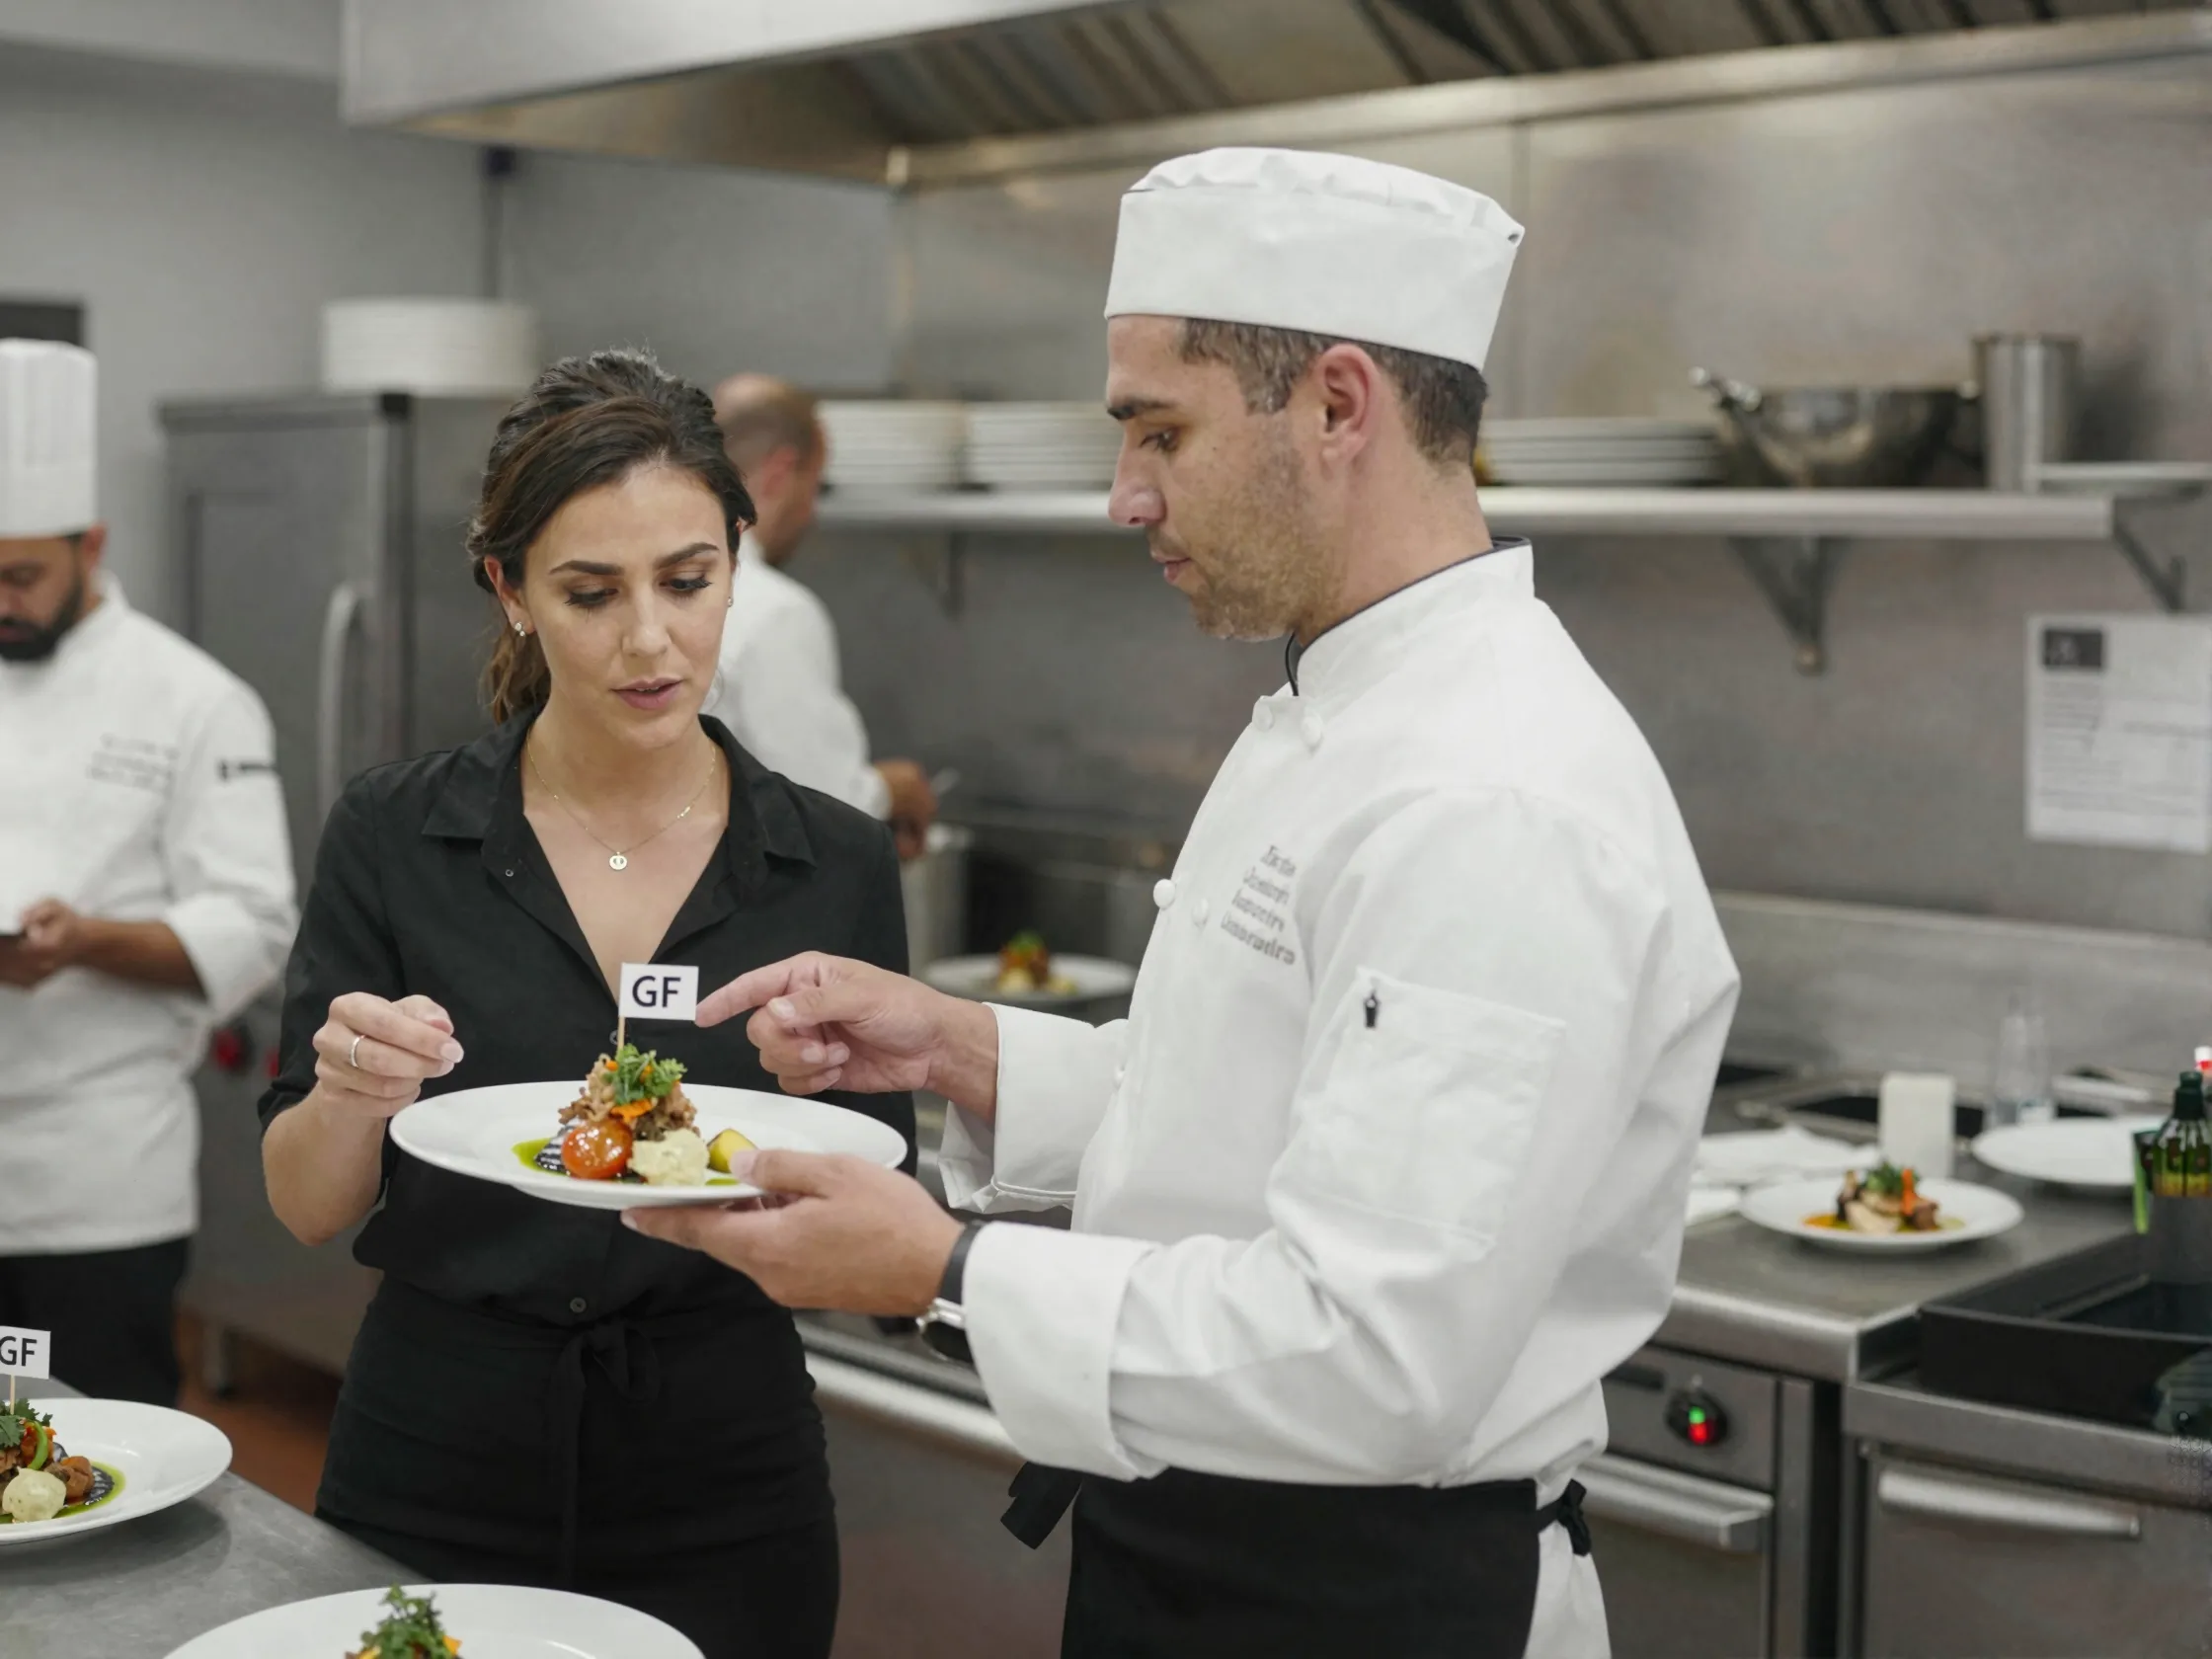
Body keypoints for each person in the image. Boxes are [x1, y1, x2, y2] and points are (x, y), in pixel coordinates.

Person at [633, 148, 1742, 1657]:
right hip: (1205, 1548)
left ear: (1341, 406)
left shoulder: (1495, 792)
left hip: (1373, 1600)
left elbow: (1372, 1351)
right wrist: (966, 1048)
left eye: (1163, 429)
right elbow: (1250, 1113)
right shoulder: (1331, 708)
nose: (1122, 494)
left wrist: (944, 1270)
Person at [258, 350, 913, 1659]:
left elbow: (877, 1236)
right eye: (590, 593)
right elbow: (306, 1204)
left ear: (740, 559)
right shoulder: (398, 833)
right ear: (509, 593)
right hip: (435, 1445)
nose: (650, 640)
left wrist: (822, 1099)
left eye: (688, 580)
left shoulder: (832, 860)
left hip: (723, 1464)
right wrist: (350, 1093)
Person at [0, 338, 295, 1404]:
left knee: (86, 1477)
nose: (1, 599)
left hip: (93, 1183)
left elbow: (259, 927)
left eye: (22, 573)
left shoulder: (189, 697)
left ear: (92, 542)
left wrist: (84, 942)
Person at [701, 374, 937, 857]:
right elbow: (823, 805)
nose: (811, 512)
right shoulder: (775, 610)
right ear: (780, 473)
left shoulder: (652, 585)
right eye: (816, 487)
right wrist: (895, 788)